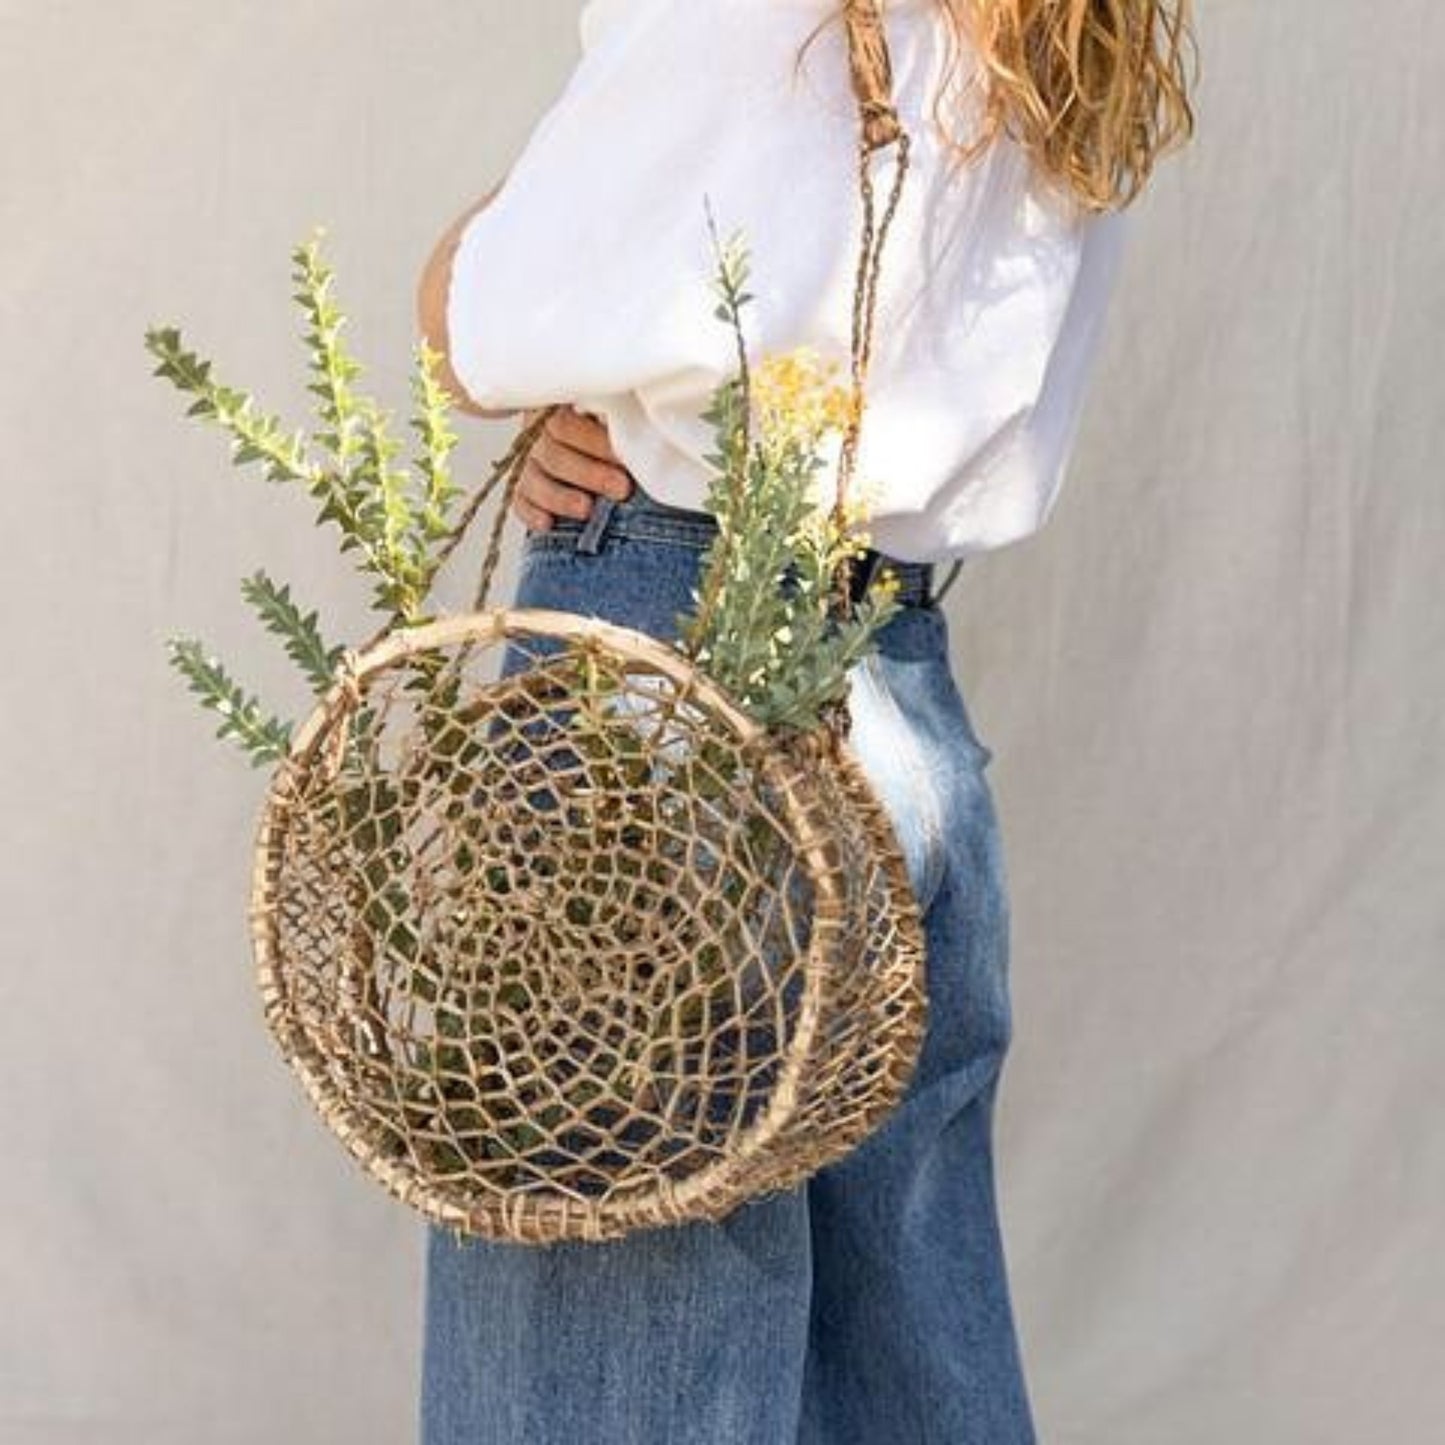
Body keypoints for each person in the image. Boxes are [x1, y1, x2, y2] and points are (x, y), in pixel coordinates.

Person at [414, 2, 1195, 1440]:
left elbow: (484, 312)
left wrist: (568, 360)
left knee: (608, 1360)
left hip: (653, 686)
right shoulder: (1062, 37)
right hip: (889, 698)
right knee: (897, 1352)